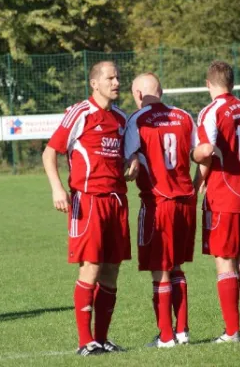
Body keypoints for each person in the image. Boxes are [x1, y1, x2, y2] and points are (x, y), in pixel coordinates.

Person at [42, 61, 131, 356]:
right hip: (89, 199)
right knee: (90, 268)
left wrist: (134, 165)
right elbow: (50, 152)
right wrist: (57, 188)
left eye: (117, 77)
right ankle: (85, 341)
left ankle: (102, 339)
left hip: (117, 200)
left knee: (111, 271)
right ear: (95, 83)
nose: (116, 82)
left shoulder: (121, 118)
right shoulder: (81, 112)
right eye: (110, 78)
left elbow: (130, 156)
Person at [124, 73, 197, 348]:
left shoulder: (137, 119)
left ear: (138, 95)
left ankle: (166, 336)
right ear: (162, 91)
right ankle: (182, 332)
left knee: (160, 269)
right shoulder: (184, 116)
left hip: (159, 201)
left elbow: (128, 160)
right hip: (186, 201)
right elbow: (200, 152)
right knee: (177, 267)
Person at [191, 61, 240, 343]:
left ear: (208, 84)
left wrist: (196, 172)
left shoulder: (211, 110)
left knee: (225, 262)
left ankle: (232, 332)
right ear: (231, 83)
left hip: (225, 195)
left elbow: (206, 151)